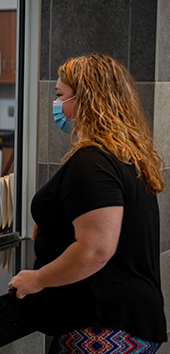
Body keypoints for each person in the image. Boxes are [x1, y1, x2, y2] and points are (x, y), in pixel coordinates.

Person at [9, 54, 167, 352]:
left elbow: (96, 249)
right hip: (126, 323)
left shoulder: (92, 162)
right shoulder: (125, 156)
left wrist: (37, 279)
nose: (57, 106)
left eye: (60, 96)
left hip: (103, 327)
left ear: (87, 100)